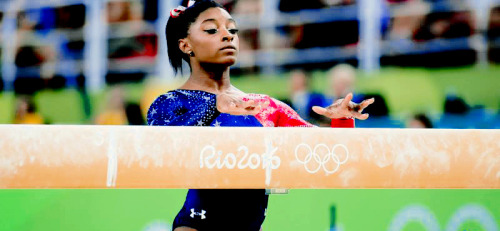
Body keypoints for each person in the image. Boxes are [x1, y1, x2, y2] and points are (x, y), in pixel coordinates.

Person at [147, 1, 374, 230]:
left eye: (232, 29)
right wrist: (215, 106)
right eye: (212, 30)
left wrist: (342, 119)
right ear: (186, 46)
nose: (227, 36)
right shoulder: (172, 102)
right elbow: (158, 141)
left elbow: (325, 158)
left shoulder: (264, 106)